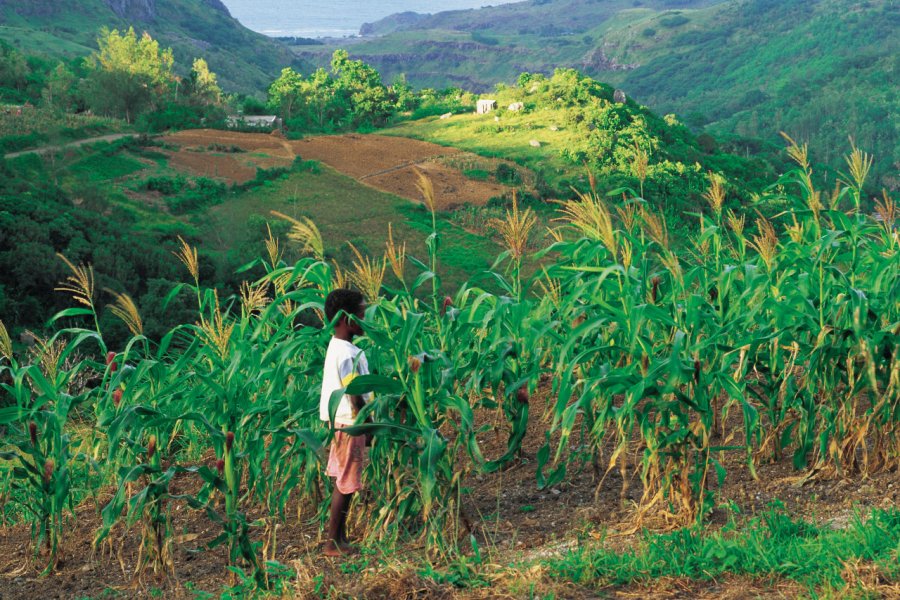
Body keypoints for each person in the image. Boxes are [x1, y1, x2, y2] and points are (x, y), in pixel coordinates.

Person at [319, 288, 370, 557]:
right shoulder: (347, 354)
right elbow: (354, 394)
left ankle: (339, 538)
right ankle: (332, 543)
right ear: (344, 317)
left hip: (341, 422)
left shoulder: (337, 346)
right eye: (361, 313)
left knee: (342, 478)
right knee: (346, 481)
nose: (365, 318)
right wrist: (368, 424)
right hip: (351, 423)